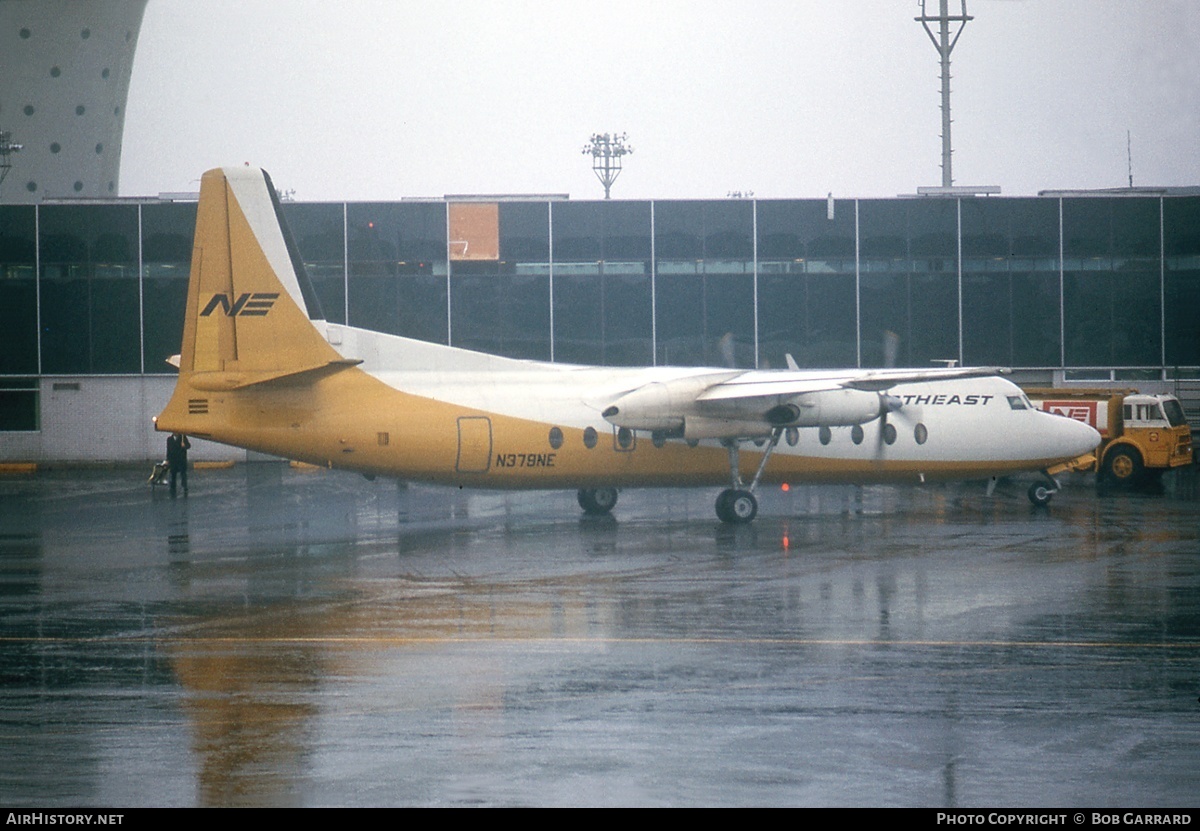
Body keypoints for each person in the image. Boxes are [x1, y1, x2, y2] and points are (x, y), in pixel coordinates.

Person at [166, 433, 191, 498]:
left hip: (181, 460)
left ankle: (184, 487)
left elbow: (188, 446)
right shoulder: (169, 439)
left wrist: (184, 446)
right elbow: (168, 450)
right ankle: (173, 487)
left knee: (183, 474)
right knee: (173, 474)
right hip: (173, 460)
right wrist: (168, 459)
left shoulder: (183, 437)